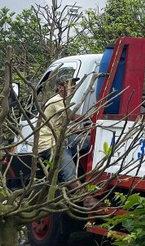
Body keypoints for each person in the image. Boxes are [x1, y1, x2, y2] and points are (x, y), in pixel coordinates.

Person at [36, 77, 99, 208]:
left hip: (61, 138)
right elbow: (70, 117)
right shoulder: (56, 101)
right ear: (60, 87)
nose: (74, 87)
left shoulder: (63, 102)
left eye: (75, 85)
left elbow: (73, 116)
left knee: (89, 142)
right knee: (68, 171)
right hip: (51, 143)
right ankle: (85, 199)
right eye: (71, 85)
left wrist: (94, 120)